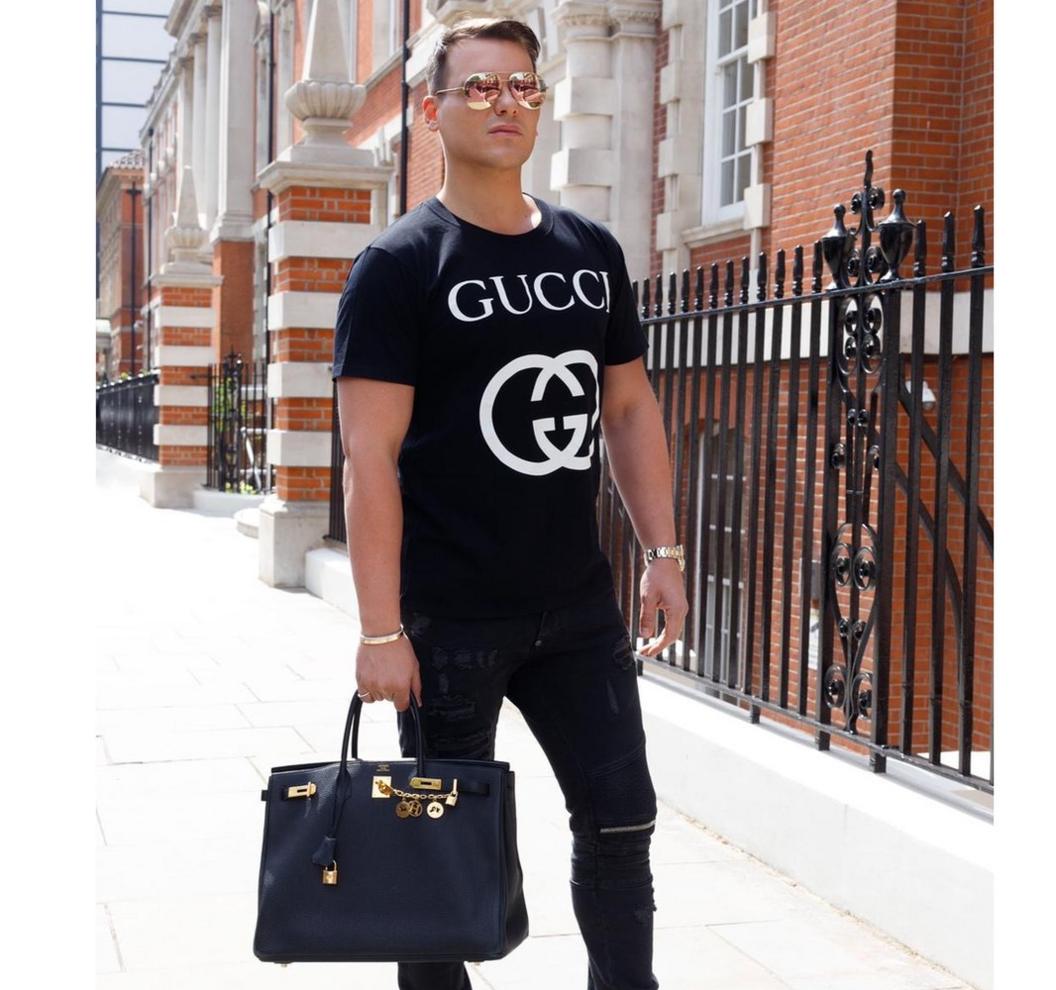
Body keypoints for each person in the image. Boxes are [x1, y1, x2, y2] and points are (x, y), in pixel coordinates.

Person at [332, 16, 688, 990]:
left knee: (623, 823)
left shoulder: (589, 249)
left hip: (577, 609)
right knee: (443, 868)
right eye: (481, 87)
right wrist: (378, 630)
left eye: (523, 85)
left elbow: (628, 405)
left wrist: (666, 554)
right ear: (433, 110)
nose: (506, 104)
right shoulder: (400, 267)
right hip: (448, 620)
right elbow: (370, 457)